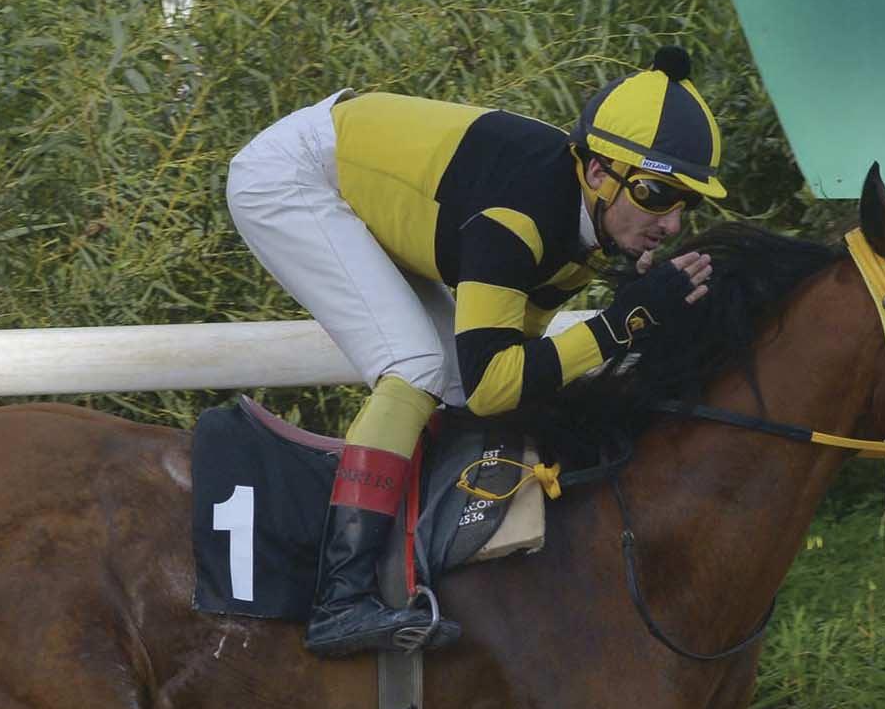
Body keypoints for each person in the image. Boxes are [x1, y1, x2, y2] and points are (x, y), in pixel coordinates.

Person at [227, 45, 724, 658]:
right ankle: (340, 597)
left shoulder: (585, 233)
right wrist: (622, 322)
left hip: (367, 185)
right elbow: (496, 382)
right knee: (415, 367)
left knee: (457, 387)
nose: (671, 224)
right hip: (292, 176)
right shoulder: (518, 215)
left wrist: (626, 322)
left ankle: (418, 562)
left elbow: (514, 371)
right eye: (654, 194)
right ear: (598, 172)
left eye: (685, 202)